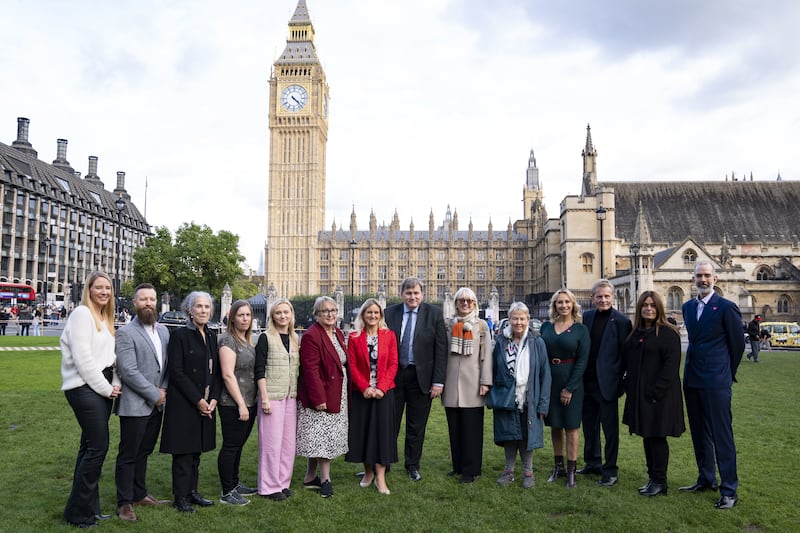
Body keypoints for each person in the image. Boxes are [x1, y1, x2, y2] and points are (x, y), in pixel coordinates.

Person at [680, 260, 744, 509]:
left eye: (707, 276)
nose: (703, 280)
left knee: (722, 435)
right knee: (699, 433)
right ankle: (706, 478)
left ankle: (729, 490)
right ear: (693, 279)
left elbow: (737, 345)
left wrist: (727, 373)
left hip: (717, 380)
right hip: (692, 379)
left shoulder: (727, 308)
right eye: (699, 276)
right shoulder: (687, 307)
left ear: (715, 279)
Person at [60, 271, 122, 528]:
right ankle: (79, 513)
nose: (104, 292)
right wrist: (107, 389)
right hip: (85, 387)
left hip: (103, 385)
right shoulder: (82, 315)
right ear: (89, 289)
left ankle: (86, 507)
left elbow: (112, 358)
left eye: (108, 288)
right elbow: (84, 360)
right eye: (99, 287)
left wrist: (115, 383)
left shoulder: (104, 317)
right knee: (98, 448)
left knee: (88, 448)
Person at [160, 291, 221, 513]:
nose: (203, 310)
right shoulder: (179, 335)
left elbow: (216, 372)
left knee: (196, 450)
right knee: (183, 452)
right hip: (185, 402)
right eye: (199, 307)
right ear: (190, 310)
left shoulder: (213, 335)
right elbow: (176, 371)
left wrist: (213, 398)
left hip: (206, 401)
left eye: (207, 307)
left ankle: (192, 491)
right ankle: (181, 496)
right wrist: (198, 400)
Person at [114, 283, 171, 522]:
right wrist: (154, 393)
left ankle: (140, 494)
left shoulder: (164, 331)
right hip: (135, 404)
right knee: (129, 454)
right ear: (135, 303)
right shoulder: (126, 332)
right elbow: (128, 371)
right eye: (143, 299)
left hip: (158, 403)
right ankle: (125, 502)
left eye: (152, 299)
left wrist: (164, 389)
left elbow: (167, 365)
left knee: (144, 451)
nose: (148, 303)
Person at [622, 291, 685, 497]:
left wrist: (656, 391)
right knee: (647, 436)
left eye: (652, 305)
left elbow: (671, 366)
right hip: (641, 394)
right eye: (645, 305)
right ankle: (652, 478)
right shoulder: (636, 333)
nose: (649, 308)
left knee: (657, 437)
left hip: (661, 396)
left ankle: (661, 481)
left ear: (659, 308)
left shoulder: (668, 333)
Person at [384, 277, 448, 482]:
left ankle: (412, 465)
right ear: (402, 294)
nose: (412, 296)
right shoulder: (389, 313)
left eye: (416, 293)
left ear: (422, 294)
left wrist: (438, 381)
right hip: (393, 376)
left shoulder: (434, 314)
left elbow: (441, 350)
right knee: (388, 423)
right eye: (408, 293)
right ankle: (384, 463)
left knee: (416, 425)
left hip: (421, 377)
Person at [488, 302, 551, 489]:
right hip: (506, 396)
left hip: (528, 396)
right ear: (509, 320)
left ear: (528, 320)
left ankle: (528, 472)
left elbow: (545, 374)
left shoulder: (537, 342)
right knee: (509, 434)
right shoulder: (501, 341)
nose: (518, 322)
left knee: (526, 434)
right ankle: (509, 471)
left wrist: (543, 404)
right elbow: (493, 368)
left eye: (522, 318)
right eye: (515, 318)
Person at [579, 279, 632, 487]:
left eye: (607, 296)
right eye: (599, 297)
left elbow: (626, 355)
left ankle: (610, 470)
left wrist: (621, 382)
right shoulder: (588, 317)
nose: (603, 300)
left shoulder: (621, 321)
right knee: (589, 427)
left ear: (612, 297)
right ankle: (592, 462)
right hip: (588, 383)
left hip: (608, 384)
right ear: (593, 299)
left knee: (609, 431)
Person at [296, 296, 349, 498]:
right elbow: (310, 370)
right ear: (316, 315)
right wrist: (318, 398)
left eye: (333, 310)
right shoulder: (311, 335)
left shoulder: (337, 333)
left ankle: (310, 477)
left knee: (318, 438)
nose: (330, 314)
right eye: (325, 311)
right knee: (322, 439)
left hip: (337, 391)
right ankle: (326, 479)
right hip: (321, 394)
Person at [345, 298, 398, 495]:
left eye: (376, 313)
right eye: (369, 313)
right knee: (364, 433)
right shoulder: (354, 337)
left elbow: (393, 364)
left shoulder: (389, 336)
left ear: (381, 316)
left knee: (382, 435)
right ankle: (368, 473)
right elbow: (351, 366)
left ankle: (381, 478)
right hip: (362, 394)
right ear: (363, 315)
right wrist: (365, 387)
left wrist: (381, 388)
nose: (373, 316)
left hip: (384, 393)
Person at [540, 289, 590, 489]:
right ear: (554, 306)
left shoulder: (580, 330)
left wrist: (570, 387)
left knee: (571, 427)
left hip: (572, 382)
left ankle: (571, 471)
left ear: (573, 305)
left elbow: (582, 361)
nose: (563, 306)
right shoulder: (546, 327)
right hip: (550, 381)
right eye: (559, 302)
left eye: (567, 302)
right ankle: (558, 466)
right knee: (555, 425)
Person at [442, 287, 492, 484]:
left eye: (469, 301)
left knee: (472, 430)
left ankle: (471, 470)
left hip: (473, 383)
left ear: (474, 304)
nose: (465, 304)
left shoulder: (481, 326)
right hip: (451, 384)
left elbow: (486, 355)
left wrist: (485, 382)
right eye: (461, 300)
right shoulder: (447, 325)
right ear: (455, 303)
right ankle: (458, 466)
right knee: (454, 428)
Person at [254, 298, 300, 501]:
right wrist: (264, 398)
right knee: (272, 444)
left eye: (286, 312)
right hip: (271, 397)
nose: (283, 316)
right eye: (278, 312)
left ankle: (282, 482)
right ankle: (269, 486)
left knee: (288, 444)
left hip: (290, 396)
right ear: (272, 316)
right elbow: (259, 370)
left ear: (291, 315)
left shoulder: (295, 337)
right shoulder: (266, 337)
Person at [217, 300, 258, 505]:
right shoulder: (228, 340)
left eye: (248, 315)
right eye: (241, 315)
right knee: (231, 446)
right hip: (233, 404)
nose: (245, 319)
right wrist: (241, 404)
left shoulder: (248, 340)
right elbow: (227, 374)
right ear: (232, 317)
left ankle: (234, 483)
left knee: (239, 445)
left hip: (250, 401)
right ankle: (226, 492)